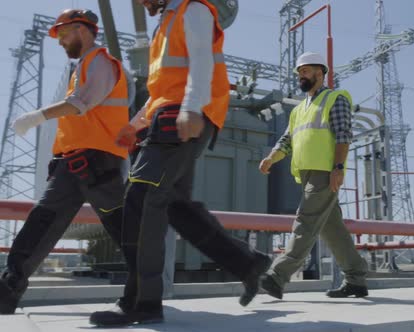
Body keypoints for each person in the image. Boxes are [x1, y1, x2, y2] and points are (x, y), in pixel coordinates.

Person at [89, 0, 271, 326]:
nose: (141, 2)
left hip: (182, 116)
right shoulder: (165, 25)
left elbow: (201, 60)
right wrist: (135, 125)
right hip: (167, 115)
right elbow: (162, 89)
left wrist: (191, 107)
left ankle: (140, 301)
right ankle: (245, 263)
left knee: (141, 201)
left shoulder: (193, 9)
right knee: (174, 206)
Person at [0, 9, 133, 314]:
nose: (59, 41)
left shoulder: (101, 62)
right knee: (46, 222)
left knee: (119, 228)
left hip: (96, 161)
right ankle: (7, 290)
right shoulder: (84, 65)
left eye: (62, 34)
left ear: (81, 30)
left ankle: (145, 293)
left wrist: (36, 116)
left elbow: (81, 104)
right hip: (80, 162)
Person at [258, 52, 368, 300]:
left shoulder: (335, 99)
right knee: (333, 229)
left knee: (305, 222)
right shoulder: (299, 109)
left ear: (320, 72)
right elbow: (287, 140)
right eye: (299, 72)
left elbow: (343, 135)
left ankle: (277, 276)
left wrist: (338, 167)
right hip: (307, 174)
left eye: (305, 71)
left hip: (325, 172)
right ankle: (356, 279)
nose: (301, 76)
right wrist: (271, 158)